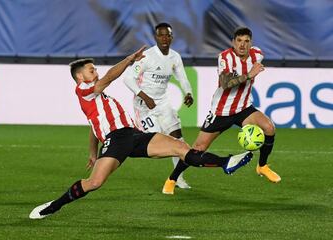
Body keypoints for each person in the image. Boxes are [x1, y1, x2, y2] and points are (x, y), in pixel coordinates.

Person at [29, 46, 252, 219]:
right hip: (116, 140)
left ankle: (226, 163)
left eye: (95, 68)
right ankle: (53, 206)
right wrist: (129, 60)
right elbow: (107, 79)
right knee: (94, 183)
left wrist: (92, 152)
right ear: (80, 77)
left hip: (133, 135)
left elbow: (92, 125)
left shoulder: (98, 99)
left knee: (181, 148)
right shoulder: (83, 90)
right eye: (91, 69)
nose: (95, 71)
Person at [162, 27, 280, 194]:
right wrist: (249, 74)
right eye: (239, 41)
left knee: (269, 127)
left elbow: (255, 62)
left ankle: (262, 166)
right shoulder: (225, 57)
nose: (242, 45)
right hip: (221, 112)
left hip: (244, 108)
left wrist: (250, 73)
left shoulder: (257, 54)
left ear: (251, 43)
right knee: (197, 148)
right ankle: (172, 178)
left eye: (246, 41)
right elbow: (225, 83)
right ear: (233, 42)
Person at [124, 22, 193, 189]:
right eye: (161, 35)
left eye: (167, 35)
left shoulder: (175, 57)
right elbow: (127, 78)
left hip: (162, 102)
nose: (164, 38)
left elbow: (182, 77)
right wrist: (145, 97)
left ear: (171, 37)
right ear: (156, 37)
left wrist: (189, 92)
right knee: (155, 142)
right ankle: (123, 149)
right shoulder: (147, 56)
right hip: (144, 106)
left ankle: (177, 178)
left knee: (178, 138)